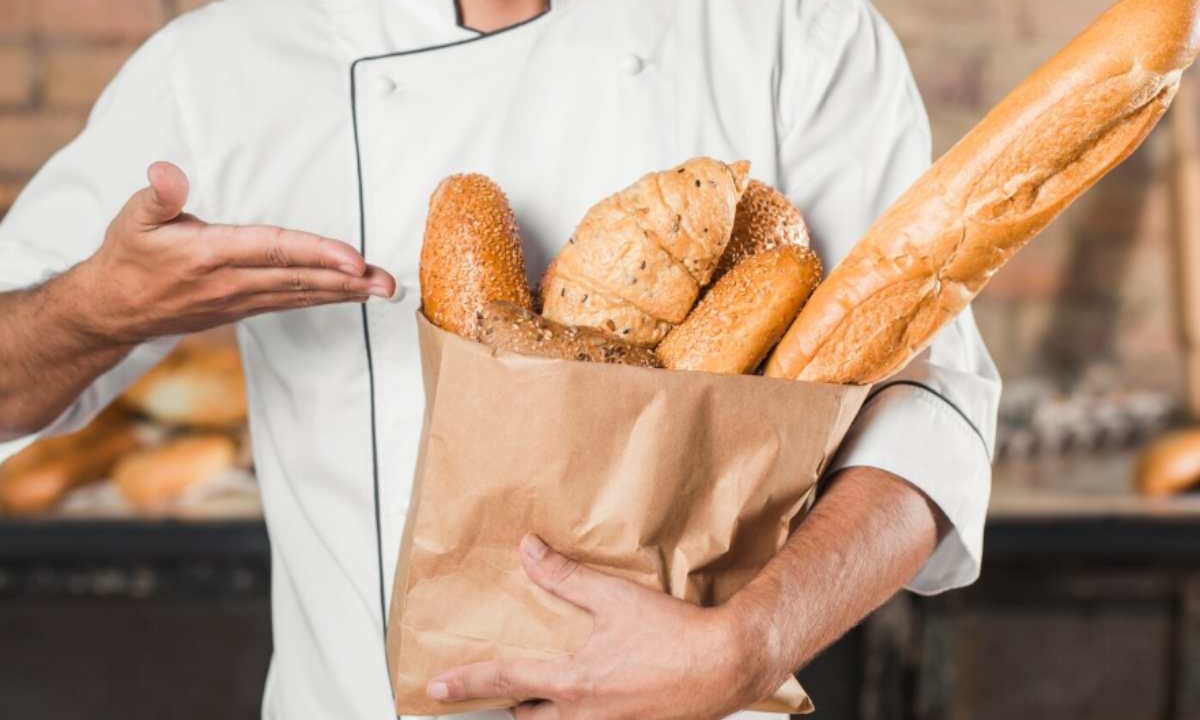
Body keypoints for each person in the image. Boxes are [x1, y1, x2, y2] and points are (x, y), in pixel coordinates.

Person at [0, 1, 999, 718]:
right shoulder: (224, 68)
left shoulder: (797, 35)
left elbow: (929, 409)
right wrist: (91, 310)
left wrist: (748, 647)